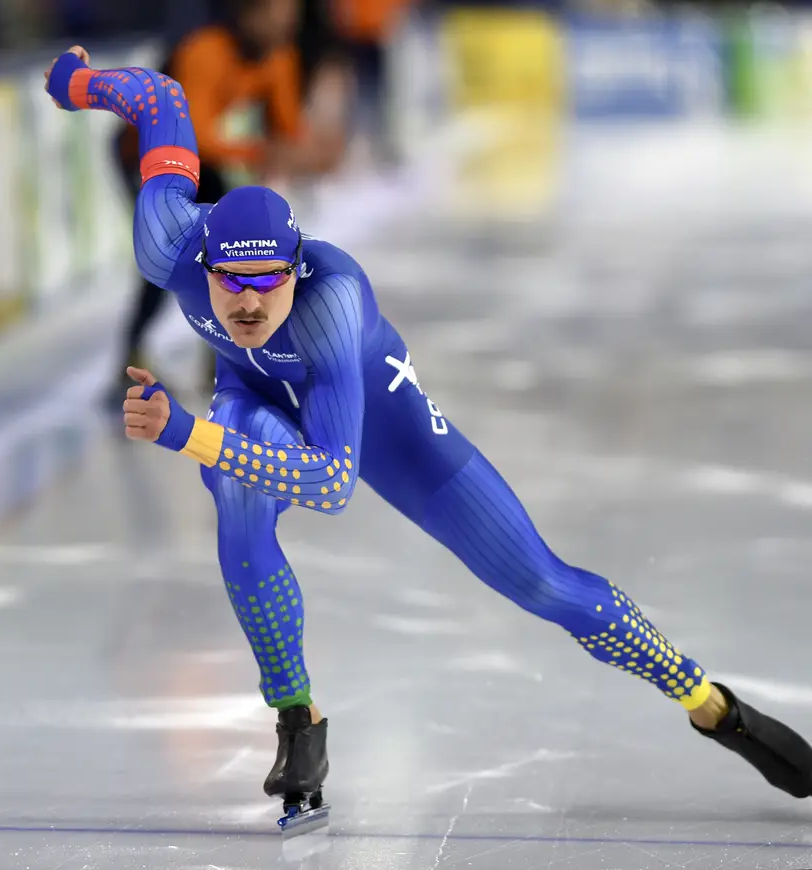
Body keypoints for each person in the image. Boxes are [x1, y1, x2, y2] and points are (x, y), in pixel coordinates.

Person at [45, 46, 812, 820]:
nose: (247, 304)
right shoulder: (167, 243)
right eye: (229, 283)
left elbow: (331, 482)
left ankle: (711, 703)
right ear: (200, 263)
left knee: (543, 583)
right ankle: (297, 716)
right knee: (238, 495)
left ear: (296, 270)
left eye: (268, 281)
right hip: (255, 400)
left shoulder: (330, 302)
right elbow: (159, 98)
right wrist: (79, 82)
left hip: (387, 427)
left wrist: (183, 432)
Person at [107, 0, 339, 405]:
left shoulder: (279, 54)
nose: (287, 25)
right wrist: (262, 152)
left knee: (228, 250)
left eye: (292, 17)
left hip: (201, 159)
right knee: (168, 259)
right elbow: (196, 133)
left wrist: (311, 150)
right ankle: (129, 360)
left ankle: (221, 359)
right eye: (277, 16)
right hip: (145, 155)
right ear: (248, 14)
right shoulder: (204, 51)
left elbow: (286, 129)